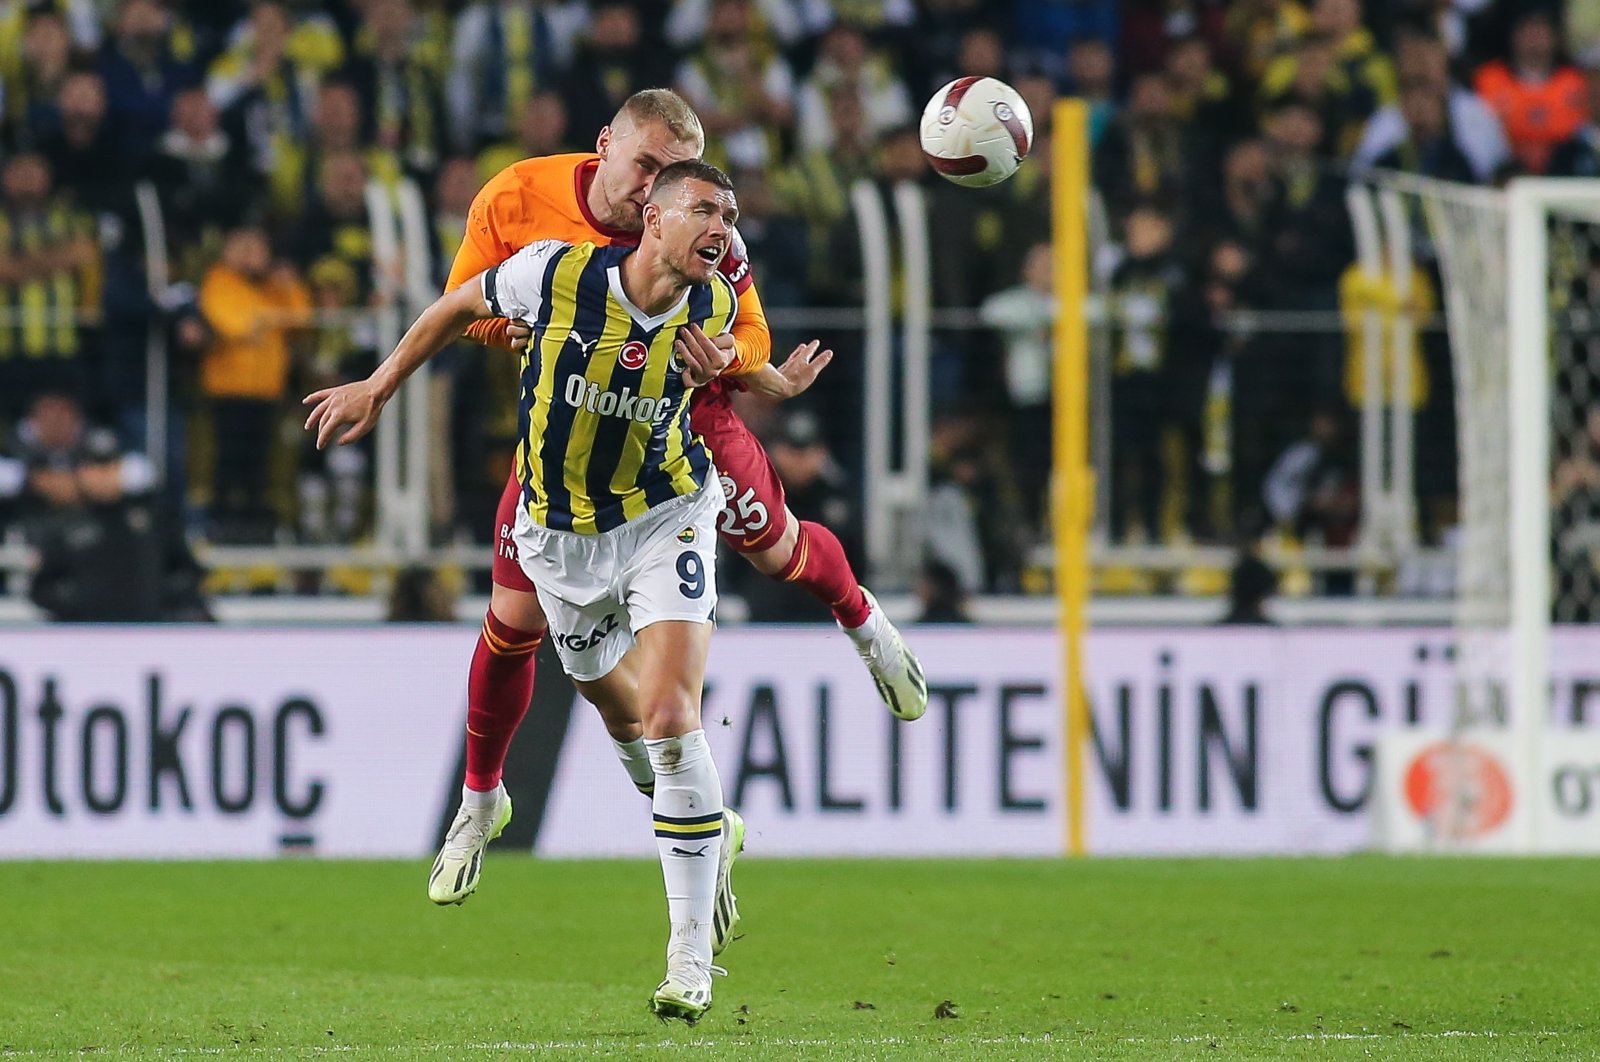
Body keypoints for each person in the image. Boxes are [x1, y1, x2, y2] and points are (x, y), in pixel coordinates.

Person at [427, 90, 927, 904]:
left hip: (686, 417)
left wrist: (728, 352)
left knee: (777, 548)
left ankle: (864, 623)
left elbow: (753, 333)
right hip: (571, 427)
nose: (658, 186)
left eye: (675, 174)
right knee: (514, 625)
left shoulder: (701, 225)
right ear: (605, 147)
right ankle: (481, 804)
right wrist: (504, 331)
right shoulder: (518, 196)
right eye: (648, 166)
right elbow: (464, 305)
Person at [305, 159, 748, 1024]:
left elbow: (735, 352)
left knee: (668, 714)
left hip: (667, 516)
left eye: (729, 215)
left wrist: (733, 365)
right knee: (621, 714)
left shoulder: (713, 307)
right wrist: (379, 384)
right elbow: (456, 305)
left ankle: (689, 958)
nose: (722, 227)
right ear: (652, 220)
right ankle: (701, 822)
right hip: (558, 534)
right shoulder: (551, 272)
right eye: (704, 209)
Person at [29, 428, 210, 623]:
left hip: (149, 634)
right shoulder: (63, 525)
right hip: (86, 638)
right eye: (94, 466)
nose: (103, 475)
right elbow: (42, 589)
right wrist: (79, 605)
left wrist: (159, 598)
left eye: (110, 465)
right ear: (80, 471)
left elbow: (188, 571)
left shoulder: (154, 517)